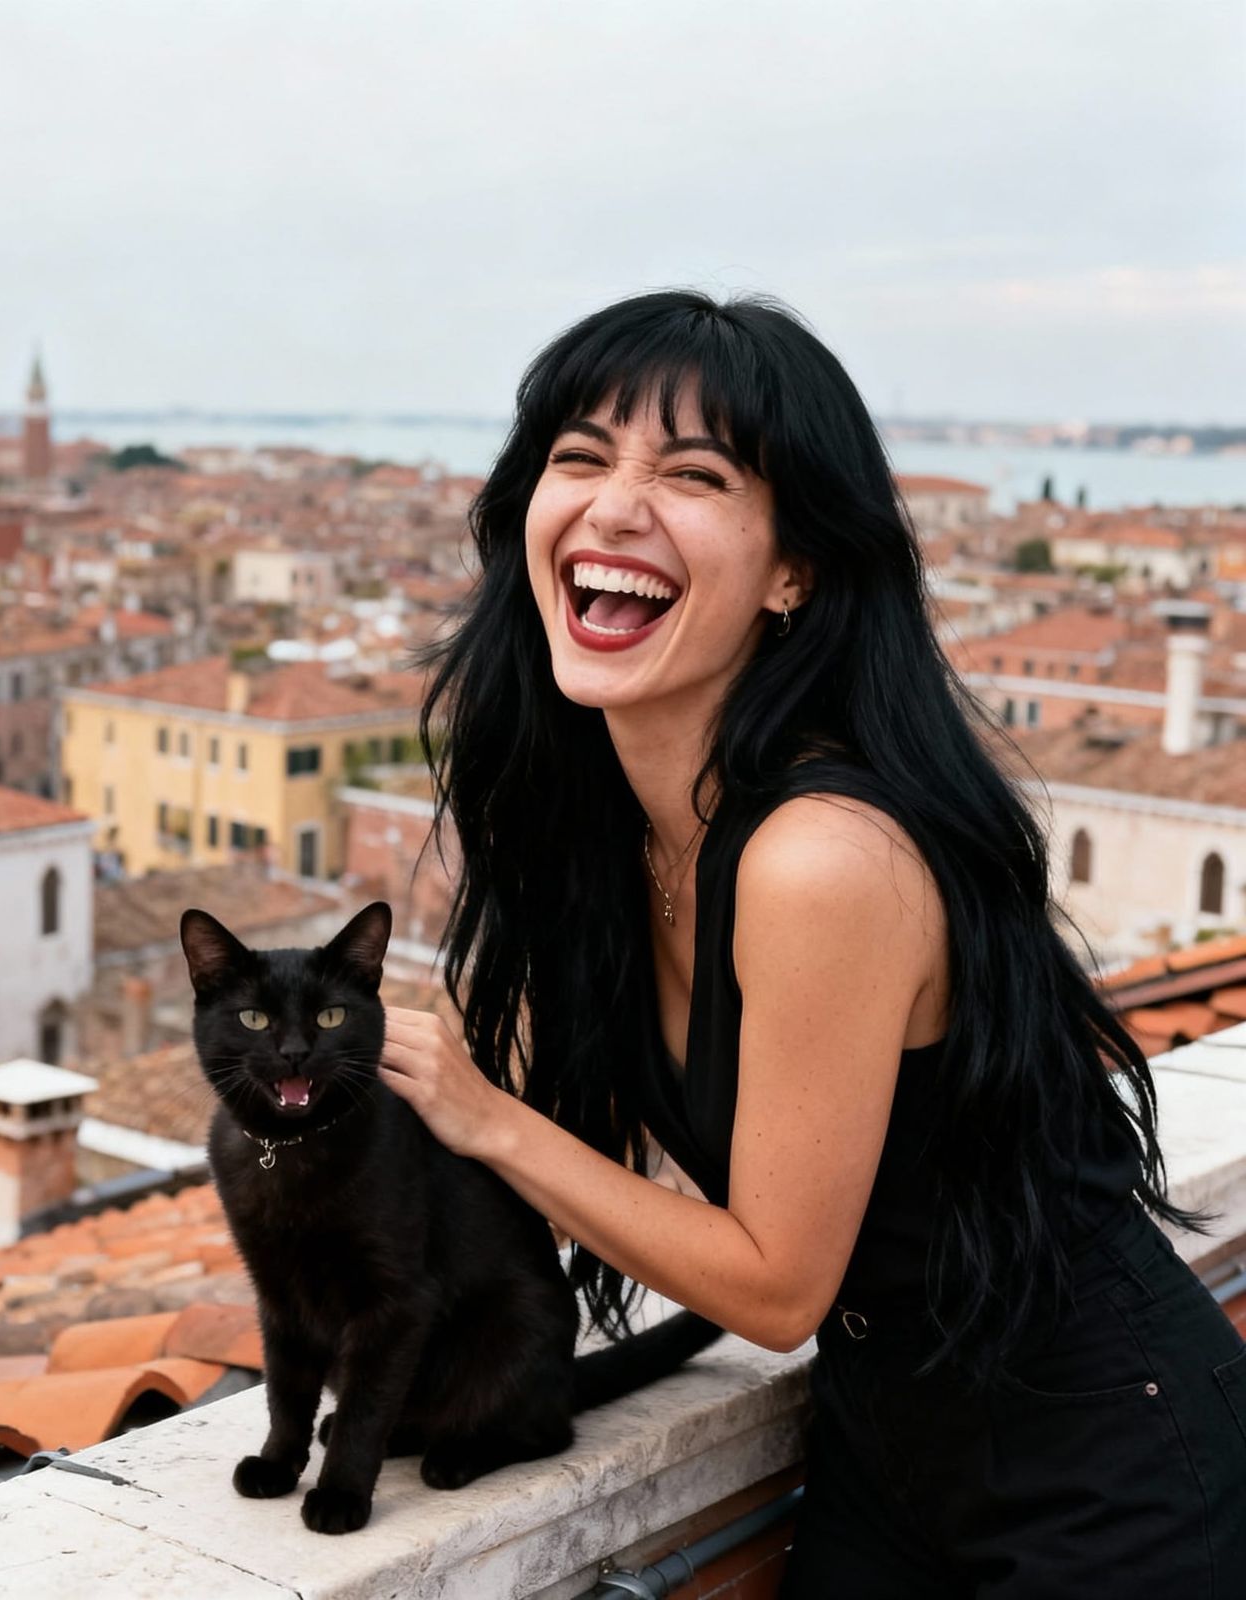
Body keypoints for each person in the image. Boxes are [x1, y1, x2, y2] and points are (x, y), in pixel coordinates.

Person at [377, 289, 1246, 1595]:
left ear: (795, 571)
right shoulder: (614, 837)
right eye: (579, 456)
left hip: (1108, 1464)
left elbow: (777, 1288)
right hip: (889, 1445)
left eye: (692, 472)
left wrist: (485, 1113)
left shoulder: (817, 861)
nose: (618, 504)